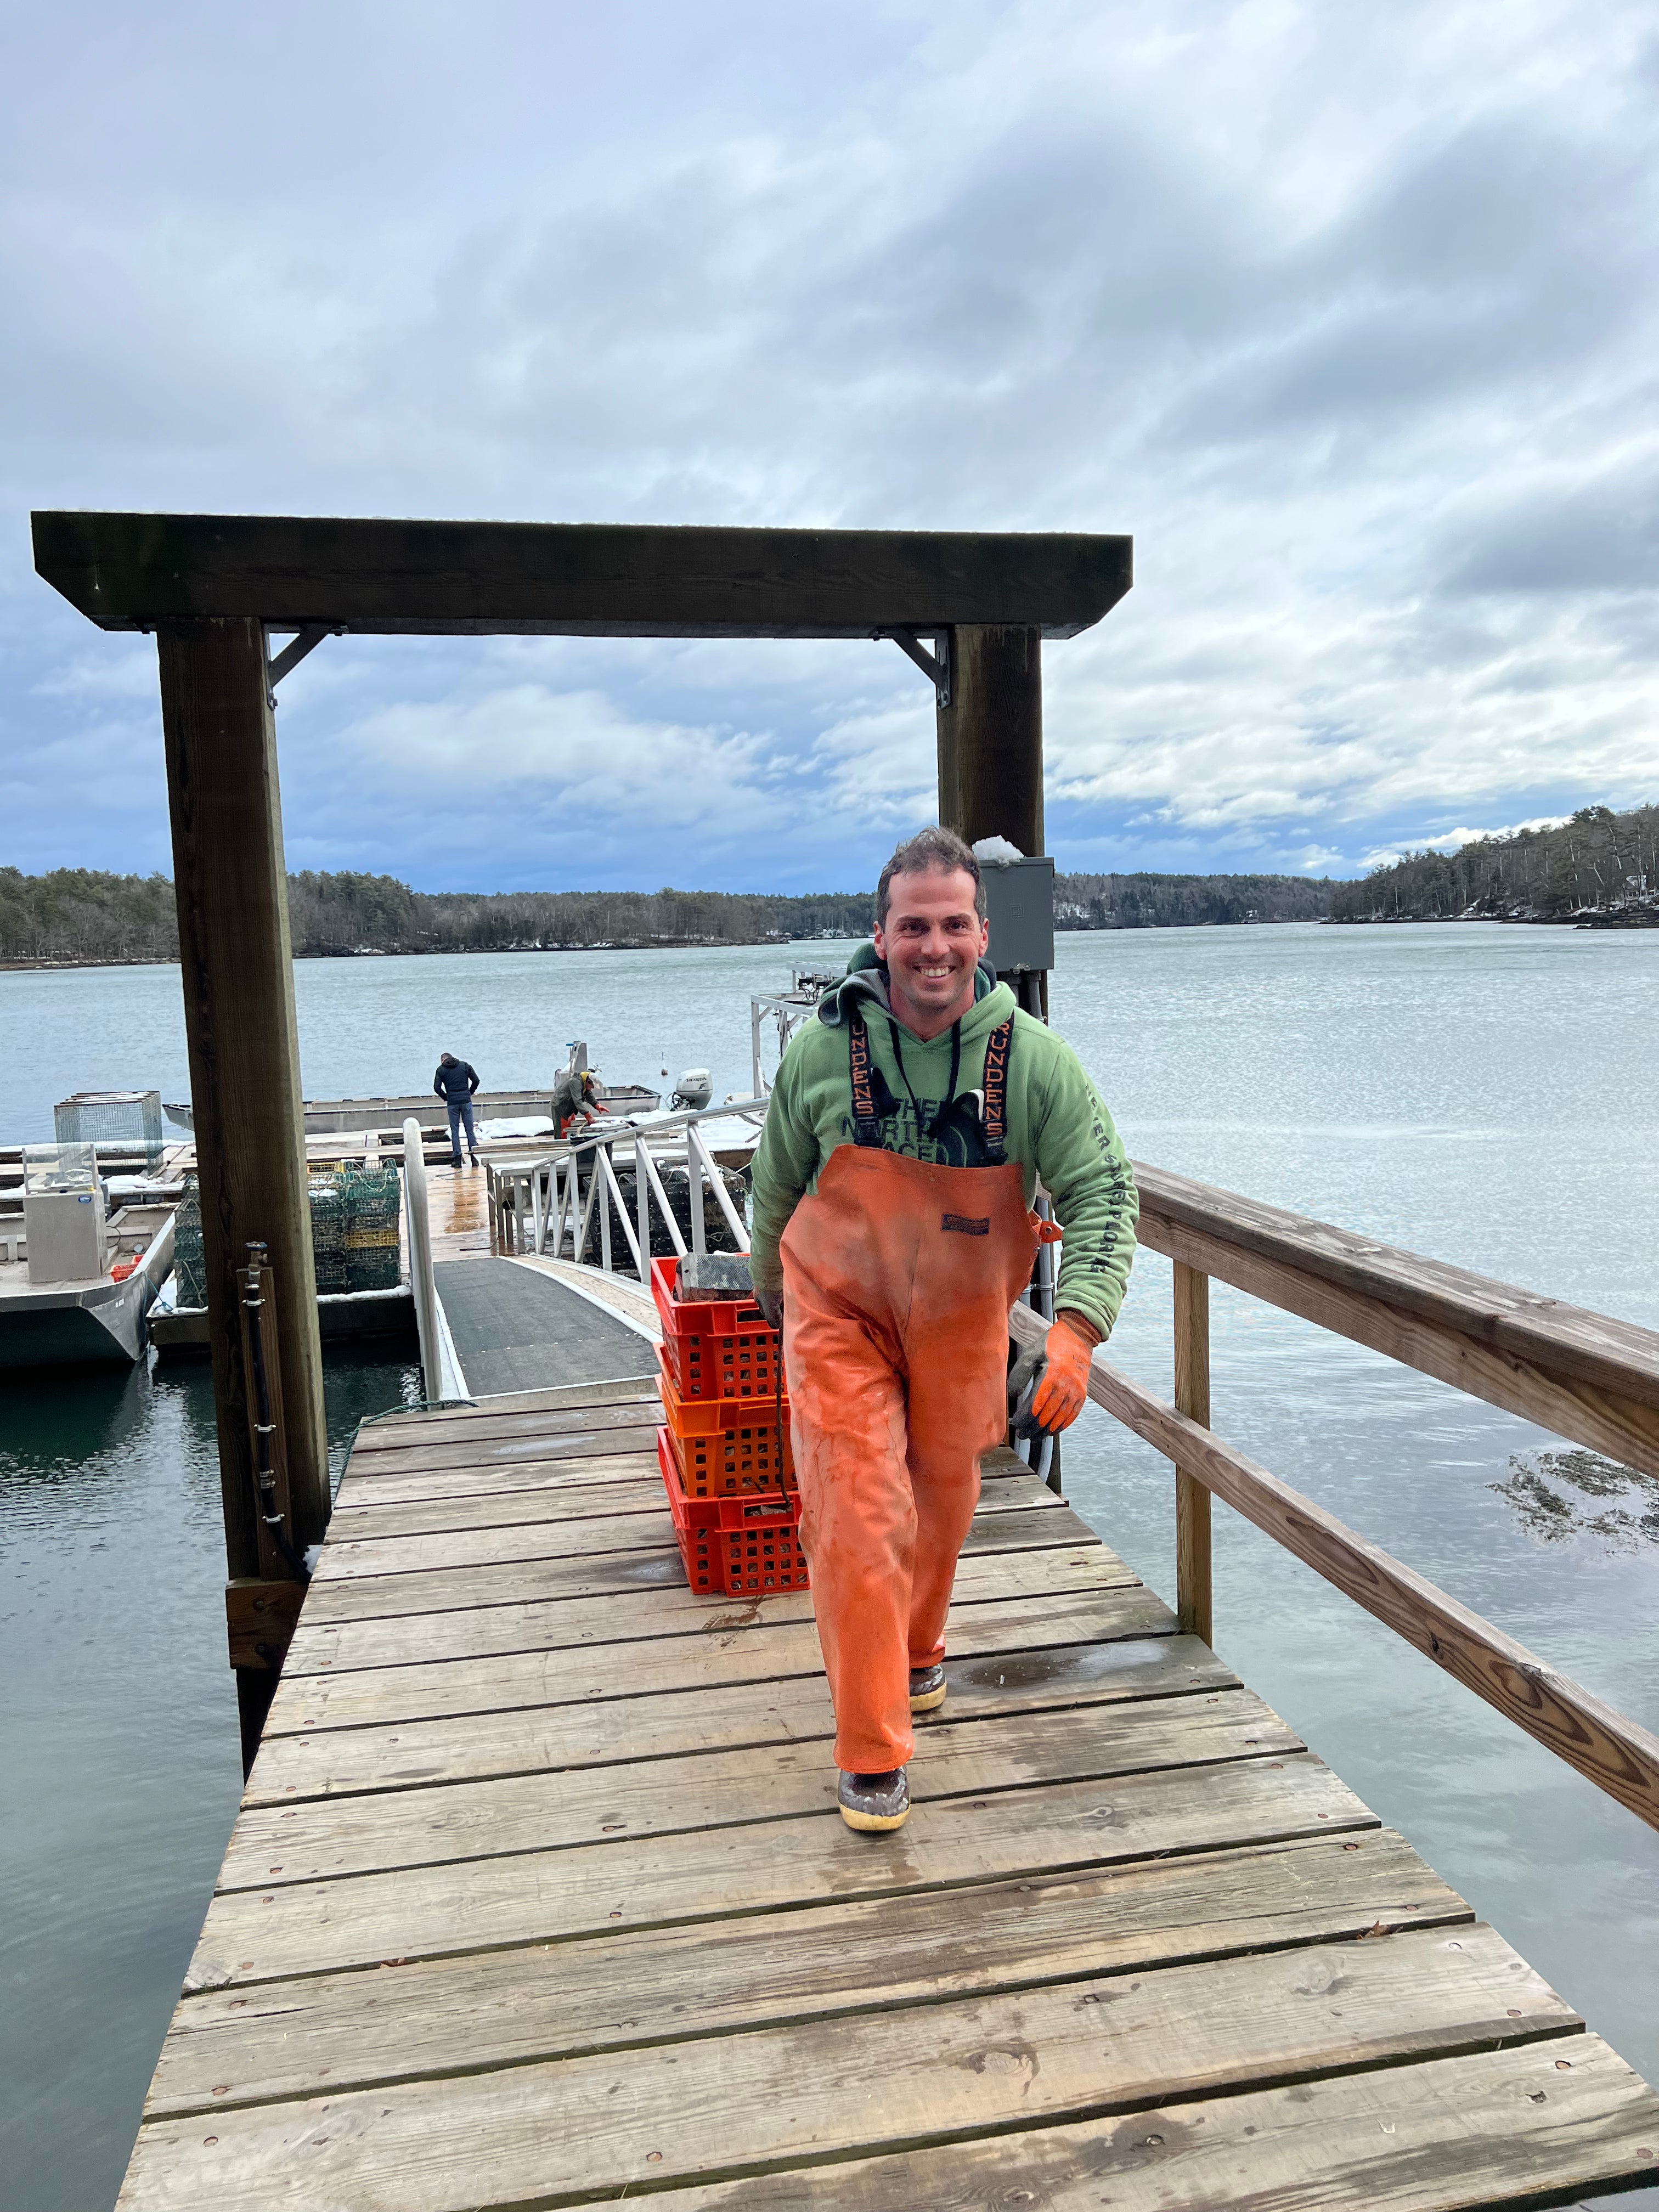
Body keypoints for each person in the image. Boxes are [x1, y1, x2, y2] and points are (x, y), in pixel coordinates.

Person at [749, 826, 1138, 1835]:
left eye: (952, 924)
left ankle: (916, 1651)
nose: (934, 946)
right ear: (878, 937)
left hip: (963, 1319)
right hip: (837, 1312)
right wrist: (772, 1298)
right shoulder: (817, 1053)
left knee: (940, 1503)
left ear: (982, 932)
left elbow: (1103, 1186)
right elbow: (775, 1184)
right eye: (912, 926)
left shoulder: (1035, 1064)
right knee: (857, 1516)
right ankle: (871, 1747)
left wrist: (1077, 1328)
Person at [433, 1051, 481, 1168]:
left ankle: (457, 1159)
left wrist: (446, 1097)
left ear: (442, 1060)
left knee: (455, 1130)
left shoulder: (441, 1070)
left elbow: (437, 1088)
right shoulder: (465, 1066)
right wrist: (469, 1093)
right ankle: (474, 1157)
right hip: (466, 1102)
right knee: (470, 1129)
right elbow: (476, 1081)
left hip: (452, 1103)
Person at [551, 1065, 605, 1139]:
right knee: (562, 1131)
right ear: (588, 1081)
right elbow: (578, 1100)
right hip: (561, 1106)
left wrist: (597, 1105)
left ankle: (570, 1140)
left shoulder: (584, 1082)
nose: (592, 1088)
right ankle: (560, 1144)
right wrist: (588, 1116)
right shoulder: (575, 1082)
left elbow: (589, 1095)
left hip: (570, 1106)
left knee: (569, 1127)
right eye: (592, 1086)